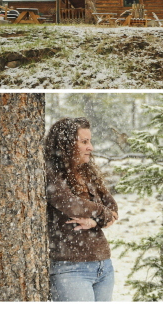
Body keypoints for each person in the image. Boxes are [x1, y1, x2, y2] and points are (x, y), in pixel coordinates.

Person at [44, 117, 119, 302]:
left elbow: (113, 209)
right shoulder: (50, 174)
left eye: (90, 141)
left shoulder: (87, 170)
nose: (90, 147)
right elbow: (71, 205)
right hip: (70, 269)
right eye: (84, 142)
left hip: (104, 266)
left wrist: (94, 220)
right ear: (66, 145)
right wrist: (102, 214)